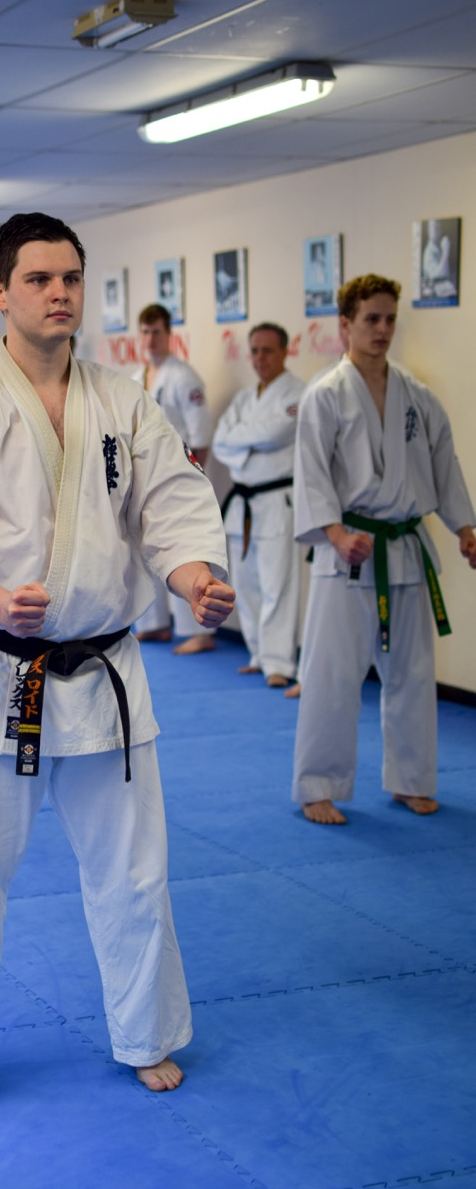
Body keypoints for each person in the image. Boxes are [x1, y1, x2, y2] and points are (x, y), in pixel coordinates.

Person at [0, 212, 235, 1121]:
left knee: (134, 871)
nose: (59, 293)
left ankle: (145, 1032)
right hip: (0, 671)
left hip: (104, 671)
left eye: (70, 278)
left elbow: (170, 509)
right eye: (39, 279)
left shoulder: (124, 400)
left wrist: (196, 582)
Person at [291, 273, 476, 826]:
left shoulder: (418, 396)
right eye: (371, 319)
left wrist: (465, 528)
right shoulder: (325, 395)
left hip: (407, 551)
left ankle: (411, 780)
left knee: (413, 676)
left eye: (390, 318)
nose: (383, 329)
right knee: (332, 677)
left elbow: (444, 466)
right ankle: (317, 786)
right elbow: (311, 474)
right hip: (348, 554)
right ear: (345, 325)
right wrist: (335, 534)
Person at [213, 323, 304, 687]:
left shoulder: (299, 394)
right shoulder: (244, 399)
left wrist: (242, 441)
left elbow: (274, 434)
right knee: (247, 583)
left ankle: (279, 662)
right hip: (244, 502)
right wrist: (249, 444)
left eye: (268, 350)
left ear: (285, 351)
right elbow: (220, 442)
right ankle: (258, 654)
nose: (260, 358)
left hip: (277, 500)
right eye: (255, 350)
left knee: (277, 585)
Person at [131, 303, 216, 654]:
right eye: (145, 332)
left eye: (157, 332)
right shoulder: (136, 377)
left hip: (178, 476)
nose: (151, 339)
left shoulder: (184, 377)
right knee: (146, 550)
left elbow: (200, 435)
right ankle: (155, 624)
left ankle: (198, 632)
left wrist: (193, 480)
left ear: (169, 335)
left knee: (183, 551)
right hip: (145, 478)